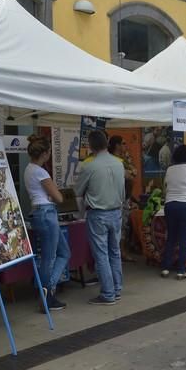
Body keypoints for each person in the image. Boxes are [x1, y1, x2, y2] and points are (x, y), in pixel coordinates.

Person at [74, 130, 125, 305]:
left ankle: (108, 293)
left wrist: (80, 214)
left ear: (91, 145)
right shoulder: (119, 164)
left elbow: (78, 192)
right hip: (116, 212)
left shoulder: (90, 166)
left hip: (98, 214)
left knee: (101, 255)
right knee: (114, 252)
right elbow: (123, 192)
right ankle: (117, 289)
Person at [24, 135, 70, 311]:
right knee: (53, 257)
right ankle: (48, 293)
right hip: (47, 213)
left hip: (37, 212)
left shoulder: (28, 169)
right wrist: (54, 194)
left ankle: (47, 290)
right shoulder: (41, 172)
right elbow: (58, 197)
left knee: (59, 253)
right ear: (45, 153)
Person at [160, 145, 186, 279]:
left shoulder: (170, 170)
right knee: (184, 239)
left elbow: (165, 189)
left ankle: (165, 268)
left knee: (171, 237)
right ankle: (181, 270)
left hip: (170, 205)